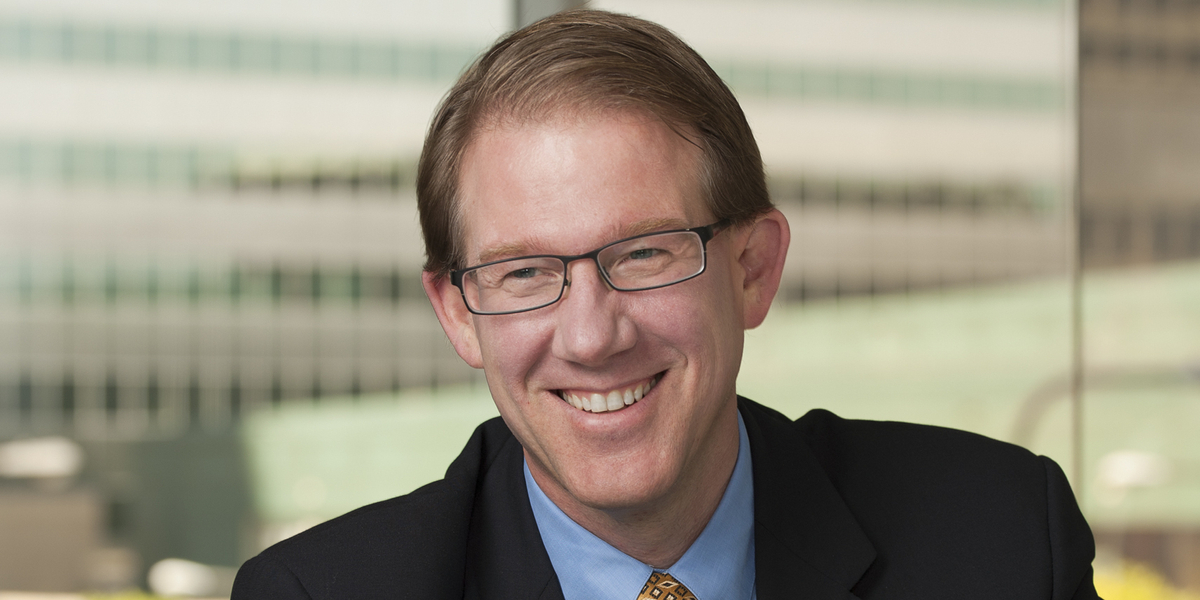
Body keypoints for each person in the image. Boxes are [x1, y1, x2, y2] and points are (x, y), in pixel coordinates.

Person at [232, 9, 1099, 599]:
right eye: (524, 272)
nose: (591, 336)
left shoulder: (1003, 540)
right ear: (458, 313)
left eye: (645, 253)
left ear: (753, 269)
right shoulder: (321, 593)